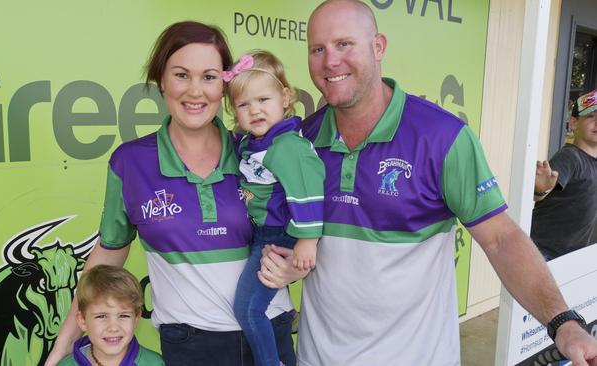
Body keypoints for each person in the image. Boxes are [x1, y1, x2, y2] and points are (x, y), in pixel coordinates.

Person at [257, 1, 597, 365]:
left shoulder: (442, 136)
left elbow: (501, 239)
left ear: (378, 47)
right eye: (317, 49)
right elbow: (292, 237)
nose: (330, 61)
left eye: (344, 44)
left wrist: (562, 322)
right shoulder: (301, 143)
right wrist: (289, 262)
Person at [45, 21, 296, 366]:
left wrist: (295, 269)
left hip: (268, 334)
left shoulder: (258, 153)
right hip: (191, 346)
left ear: (225, 85)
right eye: (181, 75)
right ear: (161, 80)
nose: (195, 91)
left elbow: (307, 229)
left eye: (209, 77)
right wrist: (62, 346)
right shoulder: (130, 163)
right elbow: (106, 257)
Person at [223, 50, 325, 366]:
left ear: (284, 97)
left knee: (249, 308)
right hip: (262, 232)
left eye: (263, 100)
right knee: (253, 306)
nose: (254, 110)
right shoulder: (252, 142)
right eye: (243, 104)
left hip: (280, 235)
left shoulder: (287, 146)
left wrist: (307, 240)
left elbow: (307, 190)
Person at [531, 90, 597, 260]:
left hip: (573, 257)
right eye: (591, 116)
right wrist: (540, 190)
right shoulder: (570, 157)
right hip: (544, 252)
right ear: (574, 123)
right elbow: (541, 192)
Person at [57, 265, 163, 366]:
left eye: (123, 316)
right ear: (82, 320)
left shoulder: (155, 363)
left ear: (136, 318)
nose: (113, 328)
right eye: (101, 316)